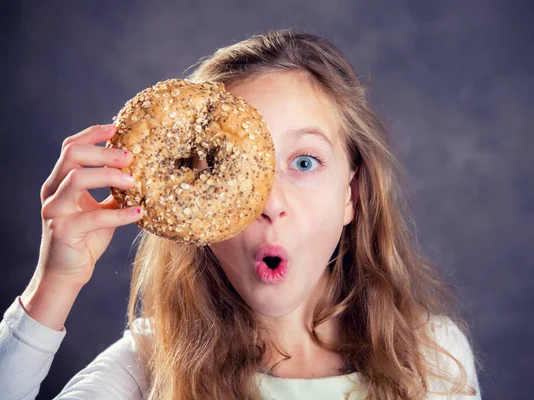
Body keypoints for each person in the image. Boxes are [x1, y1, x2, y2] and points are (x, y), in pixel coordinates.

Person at [0, 29, 481, 399]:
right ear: (196, 221)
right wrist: (54, 286)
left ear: (351, 197)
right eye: (224, 167)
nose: (270, 204)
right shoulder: (149, 367)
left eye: (304, 162)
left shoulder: (432, 359)